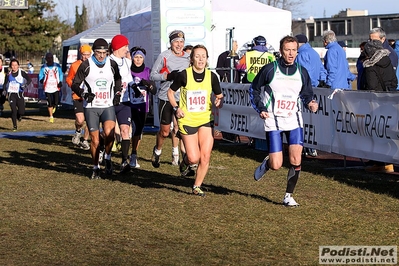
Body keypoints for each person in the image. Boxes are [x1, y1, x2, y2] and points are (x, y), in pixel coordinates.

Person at [249, 35, 319, 207]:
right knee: (276, 165)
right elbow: (254, 89)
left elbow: (306, 93)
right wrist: (261, 109)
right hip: (273, 120)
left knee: (296, 159)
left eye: (294, 50)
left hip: (294, 120)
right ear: (281, 51)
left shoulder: (302, 71)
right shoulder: (270, 70)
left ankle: (288, 196)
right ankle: (268, 164)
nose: (290, 53)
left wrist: (310, 102)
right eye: (287, 50)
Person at [167, 44, 223, 196]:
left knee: (205, 156)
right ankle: (186, 161)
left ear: (207, 59)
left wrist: (218, 101)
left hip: (205, 119)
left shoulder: (212, 77)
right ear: (191, 59)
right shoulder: (184, 75)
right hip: (187, 120)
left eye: (203, 57)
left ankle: (196, 186)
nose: (200, 59)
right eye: (197, 56)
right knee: (194, 158)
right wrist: (176, 108)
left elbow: (219, 96)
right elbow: (170, 93)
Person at [71, 38, 122, 179]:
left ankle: (108, 157)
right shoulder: (86, 65)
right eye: (98, 52)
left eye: (104, 52)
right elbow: (75, 84)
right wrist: (83, 93)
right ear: (94, 52)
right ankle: (95, 168)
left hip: (107, 105)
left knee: (109, 134)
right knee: (95, 140)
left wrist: (118, 93)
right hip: (91, 107)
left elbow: (118, 79)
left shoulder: (112, 64)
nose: (101, 55)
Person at [150, 29, 190, 168]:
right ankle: (157, 151)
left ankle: (184, 159)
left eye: (181, 42)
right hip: (165, 97)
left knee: (181, 129)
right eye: (176, 42)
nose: (179, 45)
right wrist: (166, 76)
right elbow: (152, 75)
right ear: (171, 43)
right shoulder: (164, 56)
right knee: (165, 131)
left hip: (182, 99)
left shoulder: (188, 58)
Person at [295, 34, 327, 158]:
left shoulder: (302, 54)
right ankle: (311, 147)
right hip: (316, 88)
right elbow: (321, 70)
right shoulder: (313, 52)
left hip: (306, 90)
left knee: (304, 119)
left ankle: (308, 147)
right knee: (313, 120)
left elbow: (304, 73)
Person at [108, 34, 134, 173]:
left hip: (125, 102)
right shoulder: (107, 62)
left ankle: (124, 162)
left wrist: (136, 87)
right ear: (118, 47)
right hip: (110, 103)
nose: (127, 49)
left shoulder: (127, 62)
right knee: (109, 133)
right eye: (125, 46)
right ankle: (105, 156)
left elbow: (130, 79)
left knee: (125, 131)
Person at [129, 46, 156, 168]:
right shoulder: (128, 71)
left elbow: (154, 90)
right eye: (136, 57)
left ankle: (133, 154)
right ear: (132, 58)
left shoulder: (148, 71)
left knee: (138, 131)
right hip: (128, 105)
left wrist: (149, 85)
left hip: (143, 106)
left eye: (140, 57)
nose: (138, 60)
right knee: (129, 129)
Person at [66, 44, 92, 150]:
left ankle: (85, 140)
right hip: (78, 96)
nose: (86, 57)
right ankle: (77, 131)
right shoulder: (75, 65)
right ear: (81, 54)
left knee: (91, 120)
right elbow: (69, 79)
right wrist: (74, 87)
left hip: (89, 96)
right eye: (84, 55)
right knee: (81, 120)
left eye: (88, 54)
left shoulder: (94, 65)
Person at [3, 59, 32, 131]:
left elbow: (29, 80)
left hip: (19, 94)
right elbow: (5, 83)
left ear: (18, 66)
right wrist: (4, 90)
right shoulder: (8, 74)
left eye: (16, 65)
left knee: (21, 111)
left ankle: (19, 116)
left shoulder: (21, 72)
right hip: (11, 94)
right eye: (12, 65)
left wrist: (25, 85)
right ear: (10, 66)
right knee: (13, 110)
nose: (14, 67)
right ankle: (14, 126)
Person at [39, 52, 63, 123]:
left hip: (55, 86)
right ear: (46, 59)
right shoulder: (43, 67)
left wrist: (60, 82)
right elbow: (40, 75)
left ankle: (54, 106)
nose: (50, 59)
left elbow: (60, 74)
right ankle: (51, 116)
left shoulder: (57, 66)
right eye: (48, 58)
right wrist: (41, 79)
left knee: (56, 101)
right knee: (49, 102)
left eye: (51, 58)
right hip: (47, 87)